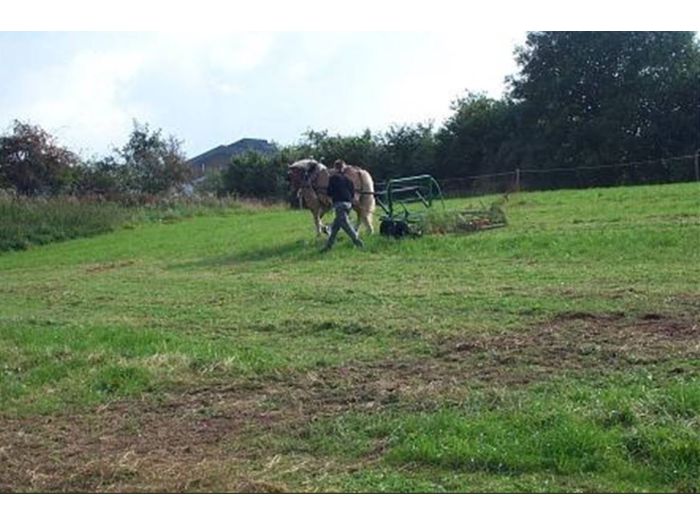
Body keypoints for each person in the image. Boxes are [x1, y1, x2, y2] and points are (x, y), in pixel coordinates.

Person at [321, 160, 364, 252]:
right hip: (348, 205)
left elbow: (329, 192)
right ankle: (328, 246)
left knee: (346, 225)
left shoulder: (332, 178)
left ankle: (358, 242)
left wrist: (329, 200)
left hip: (339, 205)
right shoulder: (348, 179)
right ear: (343, 168)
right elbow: (352, 194)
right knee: (336, 227)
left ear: (335, 168)